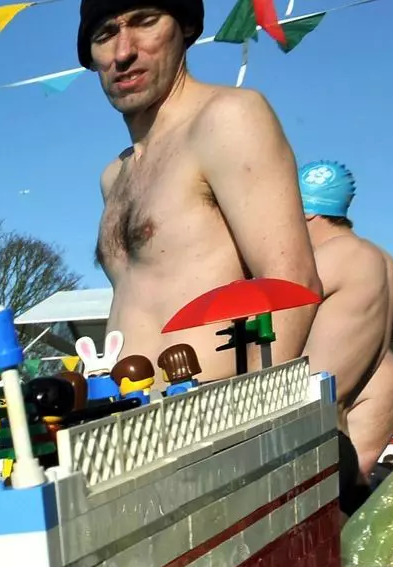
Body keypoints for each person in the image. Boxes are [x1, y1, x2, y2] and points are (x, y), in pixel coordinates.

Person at [86, 0, 319, 382]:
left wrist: (254, 414)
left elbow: (291, 283)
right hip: (125, 419)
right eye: (105, 35)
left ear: (186, 29)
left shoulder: (227, 117)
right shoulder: (114, 174)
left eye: (145, 22)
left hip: (215, 418)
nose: (123, 52)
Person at [293, 161, 393, 506]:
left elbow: (272, 333)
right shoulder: (382, 261)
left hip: (308, 437)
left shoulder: (331, 257)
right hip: (340, 439)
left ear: (308, 211)